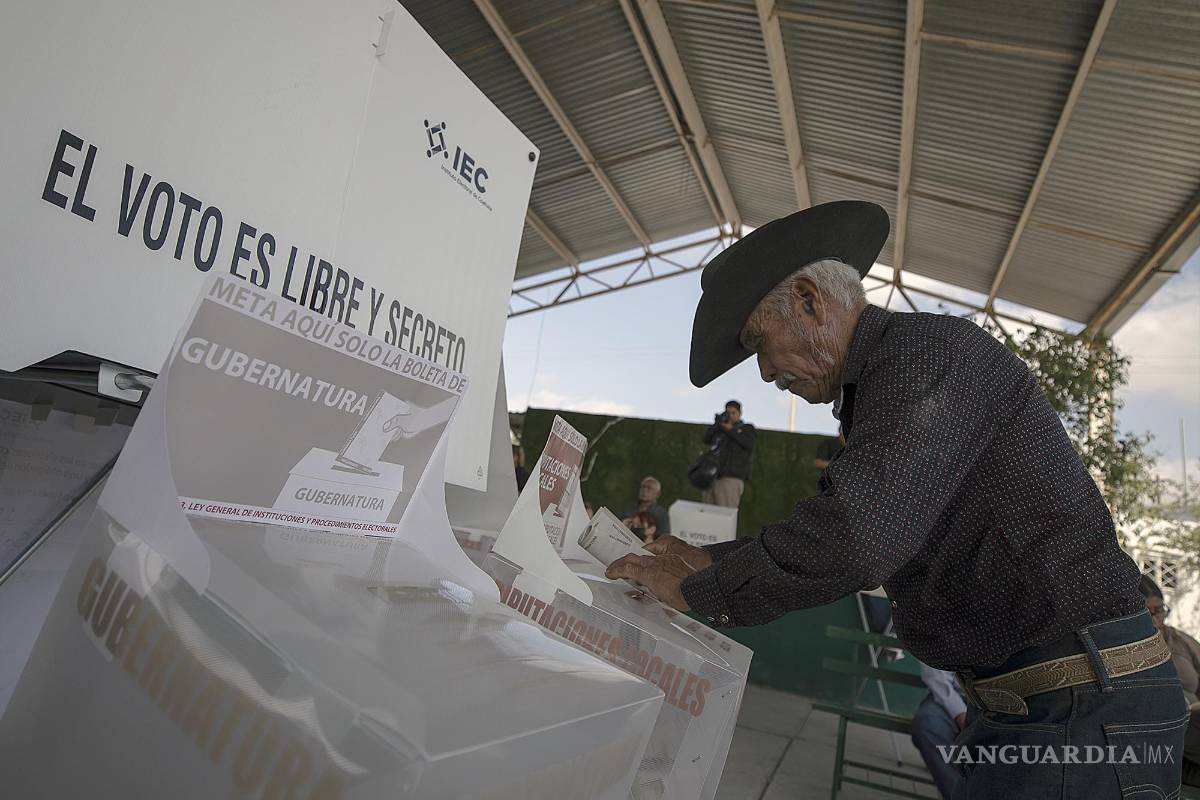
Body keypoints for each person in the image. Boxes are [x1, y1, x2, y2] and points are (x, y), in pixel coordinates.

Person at [606, 201, 1185, 797]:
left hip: (1081, 705)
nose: (764, 373)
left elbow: (857, 533)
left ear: (809, 301)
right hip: (1046, 701)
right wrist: (709, 559)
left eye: (759, 343)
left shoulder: (925, 356)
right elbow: (846, 518)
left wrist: (702, 587)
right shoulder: (889, 381)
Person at [1140, 575, 1200, 786]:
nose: (1157, 618)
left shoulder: (1180, 640)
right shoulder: (1127, 648)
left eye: (1160, 610)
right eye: (1149, 612)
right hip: (1160, 735)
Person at [912, 665, 966, 799]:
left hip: (996, 703)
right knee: (928, 725)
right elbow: (936, 676)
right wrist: (960, 713)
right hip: (950, 696)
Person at [701, 400, 756, 508]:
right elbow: (706, 439)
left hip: (731, 478)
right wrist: (716, 425)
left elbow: (749, 444)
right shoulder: (720, 429)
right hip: (712, 476)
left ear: (740, 414)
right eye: (728, 413)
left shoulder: (746, 429)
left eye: (733, 413)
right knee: (707, 512)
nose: (730, 416)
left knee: (725, 513)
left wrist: (731, 430)